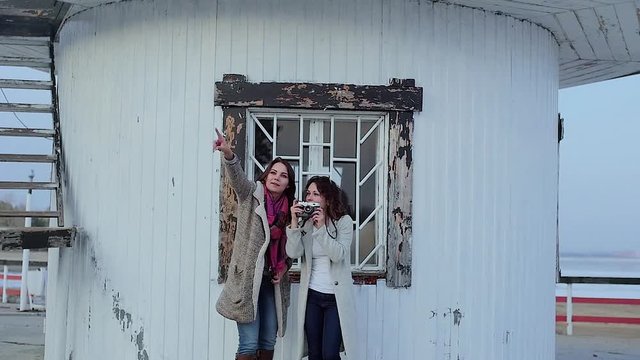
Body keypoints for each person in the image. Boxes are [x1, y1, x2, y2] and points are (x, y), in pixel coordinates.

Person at [213, 128, 295, 360]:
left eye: (283, 175)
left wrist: (285, 267)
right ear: (266, 175)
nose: (276, 177)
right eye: (273, 173)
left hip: (272, 283)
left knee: (268, 340)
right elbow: (237, 177)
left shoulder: (290, 211)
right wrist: (229, 154)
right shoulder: (251, 194)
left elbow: (293, 249)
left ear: (288, 184)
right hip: (248, 281)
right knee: (248, 343)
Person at [286, 176, 359, 360]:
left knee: (330, 354)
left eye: (316, 194)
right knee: (315, 353)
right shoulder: (306, 222)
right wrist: (294, 222)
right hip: (312, 297)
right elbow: (293, 253)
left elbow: (338, 255)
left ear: (327, 198)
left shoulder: (344, 222)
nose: (310, 197)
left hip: (335, 299)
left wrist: (321, 229)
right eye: (308, 193)